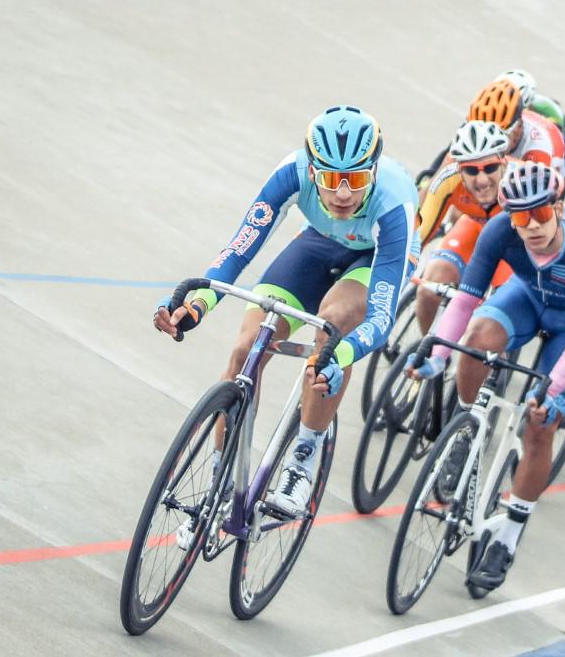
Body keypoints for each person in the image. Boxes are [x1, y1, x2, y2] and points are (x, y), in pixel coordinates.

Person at [153, 105, 418, 532]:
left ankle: (303, 459)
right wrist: (195, 306)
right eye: (332, 179)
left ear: (373, 170)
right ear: (312, 171)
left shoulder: (394, 200)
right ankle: (217, 482)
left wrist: (341, 353)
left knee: (333, 324)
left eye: (355, 178)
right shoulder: (289, 173)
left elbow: (383, 316)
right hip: (318, 242)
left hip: (375, 256)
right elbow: (238, 251)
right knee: (245, 350)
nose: (344, 193)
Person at [410, 162, 565, 591]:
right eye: (521, 217)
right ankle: (466, 432)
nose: (532, 226)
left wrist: (549, 390)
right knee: (476, 339)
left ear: (558, 206)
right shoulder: (498, 231)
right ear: (509, 216)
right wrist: (438, 353)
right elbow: (464, 305)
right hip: (526, 298)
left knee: (540, 422)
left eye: (540, 214)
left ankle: (509, 533)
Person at [411, 120, 516, 333]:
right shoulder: (447, 181)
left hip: (511, 245)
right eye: (471, 170)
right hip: (471, 229)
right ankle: (428, 348)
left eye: (490, 168)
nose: (482, 179)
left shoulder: (520, 184)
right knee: (428, 289)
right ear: (459, 169)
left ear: (503, 163)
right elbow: (419, 234)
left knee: (498, 320)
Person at [468, 79, 565, 181]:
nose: (488, 146)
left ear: (518, 128)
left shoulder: (538, 147)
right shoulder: (474, 124)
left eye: (499, 139)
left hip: (552, 153)